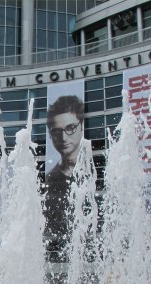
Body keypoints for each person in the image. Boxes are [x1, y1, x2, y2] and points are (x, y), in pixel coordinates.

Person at [43, 95, 85, 259]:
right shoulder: (48, 181)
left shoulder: (98, 174)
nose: (64, 137)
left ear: (81, 126)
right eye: (57, 131)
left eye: (71, 128)